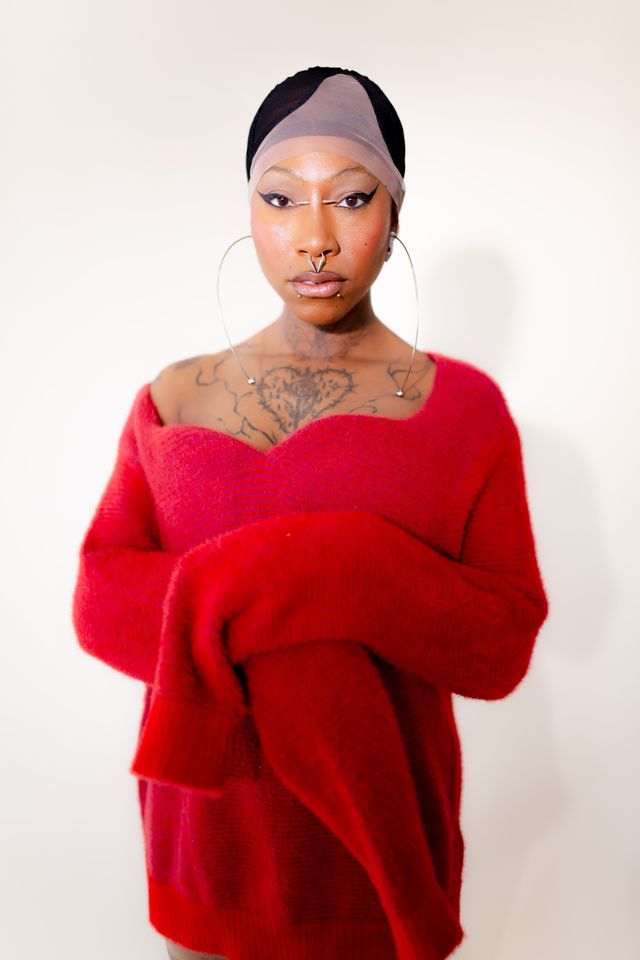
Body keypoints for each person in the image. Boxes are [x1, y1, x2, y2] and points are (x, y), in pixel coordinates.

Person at [72, 66, 549, 960]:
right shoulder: (173, 399)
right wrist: (309, 586)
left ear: (396, 213)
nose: (315, 238)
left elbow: (499, 646)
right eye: (281, 199)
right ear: (249, 211)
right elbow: (102, 602)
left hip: (378, 885)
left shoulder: (464, 413)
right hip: (202, 873)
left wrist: (348, 562)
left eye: (352, 197)